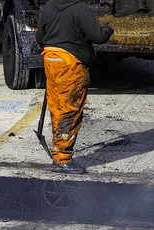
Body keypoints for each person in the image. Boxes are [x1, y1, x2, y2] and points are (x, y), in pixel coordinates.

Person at [35, 0, 114, 174]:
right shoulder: (79, 9)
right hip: (70, 64)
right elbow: (99, 36)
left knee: (57, 107)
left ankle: (59, 149)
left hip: (51, 60)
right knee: (69, 110)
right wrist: (109, 28)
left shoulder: (48, 7)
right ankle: (62, 158)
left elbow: (39, 37)